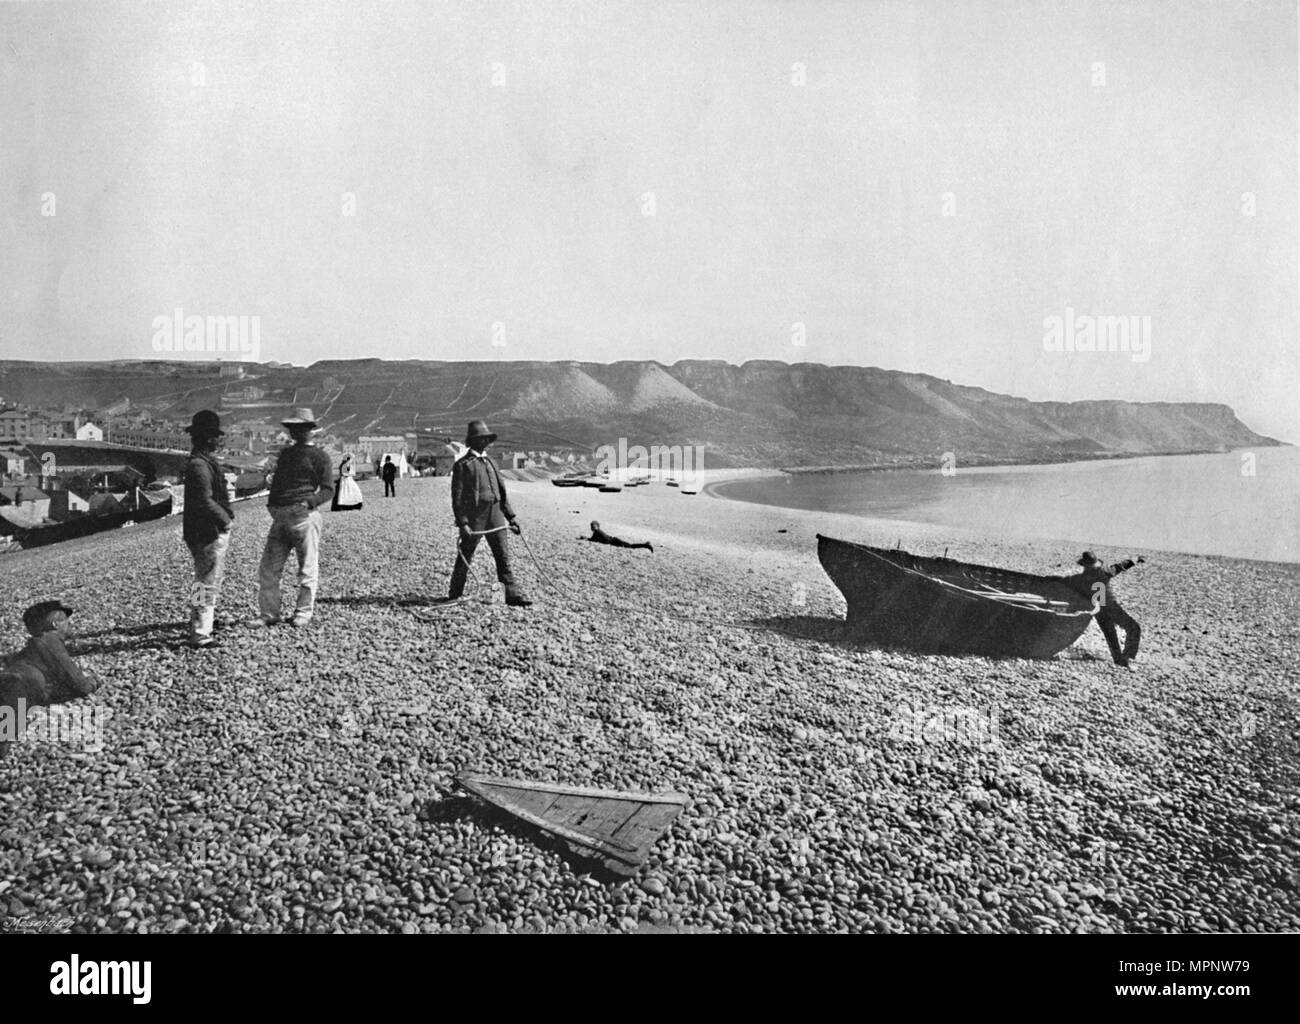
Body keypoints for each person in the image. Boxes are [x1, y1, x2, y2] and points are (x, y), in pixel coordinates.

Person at [254, 408, 334, 627]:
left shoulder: (320, 456)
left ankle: (303, 612)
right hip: (280, 516)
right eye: (292, 428)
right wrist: (272, 505)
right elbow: (278, 482)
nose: (294, 432)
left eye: (299, 428)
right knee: (269, 569)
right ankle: (269, 613)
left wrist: (309, 503)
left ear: (310, 429)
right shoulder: (286, 455)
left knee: (307, 568)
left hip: (304, 516)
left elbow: (328, 489)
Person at [0, 601, 103, 758]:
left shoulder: (36, 643)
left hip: (14, 689)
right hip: (16, 692)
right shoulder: (49, 642)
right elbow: (78, 684)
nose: (70, 624)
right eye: (66, 621)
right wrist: (94, 682)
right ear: (55, 624)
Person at [447, 420, 531, 607]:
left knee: (502, 555)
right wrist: (463, 523)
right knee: (465, 556)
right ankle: (454, 594)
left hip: (496, 514)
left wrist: (512, 518)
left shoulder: (492, 462)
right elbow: (457, 497)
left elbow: (502, 493)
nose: (484, 442)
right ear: (472, 441)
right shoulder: (462, 465)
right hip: (474, 517)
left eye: (486, 438)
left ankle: (506, 595)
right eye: (480, 439)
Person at [181, 410, 234, 649]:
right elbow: (205, 500)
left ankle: (202, 622)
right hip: (207, 531)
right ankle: (200, 632)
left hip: (203, 530)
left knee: (206, 579)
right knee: (205, 581)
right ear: (207, 438)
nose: (219, 440)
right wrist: (226, 520)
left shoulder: (199, 462)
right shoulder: (200, 466)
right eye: (215, 435)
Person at [1067, 550, 1144, 667]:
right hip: (1110, 606)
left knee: (1110, 634)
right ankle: (1128, 656)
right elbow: (1121, 566)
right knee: (1133, 628)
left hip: (1098, 610)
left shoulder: (1082, 579)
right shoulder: (1104, 571)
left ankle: (1119, 660)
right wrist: (1136, 558)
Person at [585, 520, 653, 552]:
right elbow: (592, 539)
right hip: (614, 541)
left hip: (614, 541)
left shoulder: (597, 532)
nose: (592, 528)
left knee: (631, 546)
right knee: (631, 546)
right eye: (592, 527)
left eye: (594, 526)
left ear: (597, 527)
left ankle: (646, 545)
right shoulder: (597, 532)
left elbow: (595, 539)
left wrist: (586, 539)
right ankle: (645, 545)